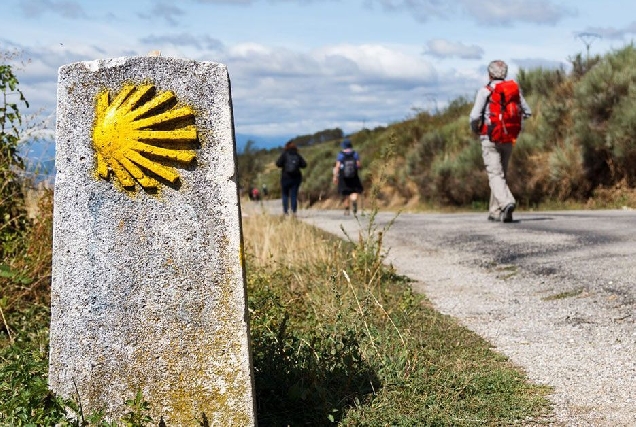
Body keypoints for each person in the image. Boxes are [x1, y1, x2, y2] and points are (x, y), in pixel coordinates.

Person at [469, 60, 531, 223]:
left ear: (490, 74)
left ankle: (506, 203)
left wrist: (476, 129)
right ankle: (494, 211)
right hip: (509, 138)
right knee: (500, 175)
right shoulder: (514, 91)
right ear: (505, 73)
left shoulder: (485, 91)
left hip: (490, 137)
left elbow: (475, 116)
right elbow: (527, 111)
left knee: (495, 174)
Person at [275, 141, 307, 216]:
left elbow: (278, 164)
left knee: (285, 194)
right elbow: (304, 165)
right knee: (294, 195)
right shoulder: (297, 155)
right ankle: (294, 211)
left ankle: (285, 211)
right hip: (296, 178)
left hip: (285, 177)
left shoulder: (284, 155)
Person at [333, 138, 363, 215]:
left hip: (343, 176)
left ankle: (347, 209)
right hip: (354, 175)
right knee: (354, 190)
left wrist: (335, 176)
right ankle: (354, 201)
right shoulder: (355, 153)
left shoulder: (341, 154)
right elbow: (359, 165)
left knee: (345, 193)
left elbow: (337, 166)